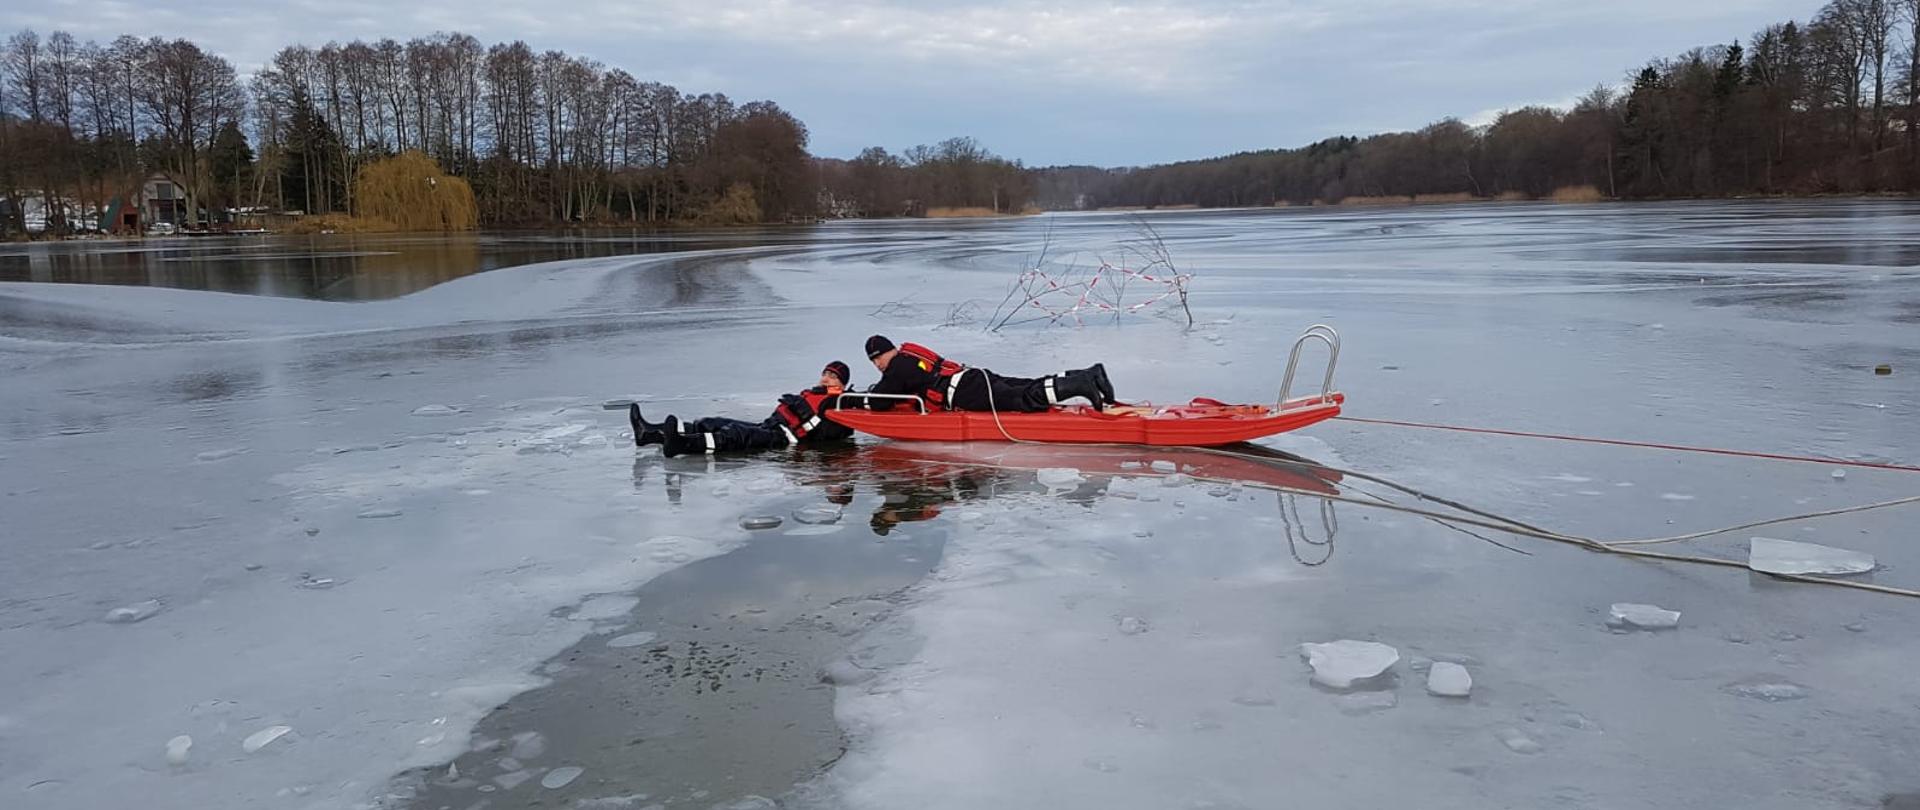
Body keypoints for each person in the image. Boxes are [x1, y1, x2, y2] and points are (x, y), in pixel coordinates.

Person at [630, 361, 856, 457]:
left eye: (833, 376)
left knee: (736, 435)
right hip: (772, 426)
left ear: (842, 384)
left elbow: (826, 435)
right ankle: (650, 434)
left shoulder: (839, 405)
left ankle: (683, 445)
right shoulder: (815, 393)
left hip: (785, 440)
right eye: (825, 373)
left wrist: (805, 414)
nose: (826, 378)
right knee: (714, 422)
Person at [862, 335, 1116, 413]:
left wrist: (859, 398)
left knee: (1023, 399)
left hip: (966, 390)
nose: (877, 365)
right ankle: (1089, 374)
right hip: (971, 377)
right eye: (873, 362)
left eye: (877, 359)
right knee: (1025, 385)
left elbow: (880, 402)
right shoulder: (909, 356)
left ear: (888, 352)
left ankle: (1082, 384)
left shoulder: (896, 367)